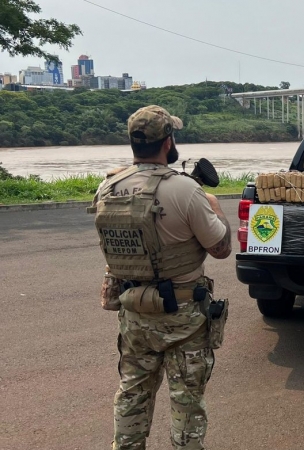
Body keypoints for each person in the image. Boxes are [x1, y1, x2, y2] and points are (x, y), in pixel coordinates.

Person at [91, 105, 233, 449]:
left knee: (132, 395)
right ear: (168, 142)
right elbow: (221, 248)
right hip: (182, 316)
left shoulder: (107, 188)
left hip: (134, 314)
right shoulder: (185, 190)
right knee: (186, 402)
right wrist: (213, 205)